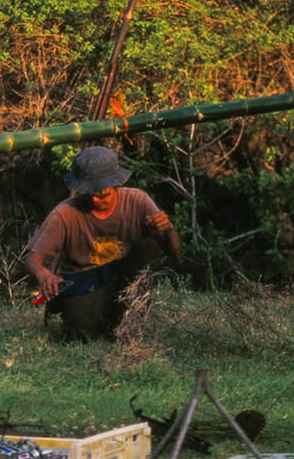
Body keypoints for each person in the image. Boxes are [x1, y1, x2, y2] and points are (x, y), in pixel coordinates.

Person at [24, 146, 181, 340]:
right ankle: (98, 321)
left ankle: (130, 317)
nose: (96, 199)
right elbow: (33, 259)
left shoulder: (138, 200)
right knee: (80, 331)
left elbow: (174, 251)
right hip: (87, 284)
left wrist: (168, 229)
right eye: (89, 192)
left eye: (102, 194)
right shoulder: (64, 213)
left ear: (116, 185)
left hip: (126, 280)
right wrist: (44, 274)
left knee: (148, 247)